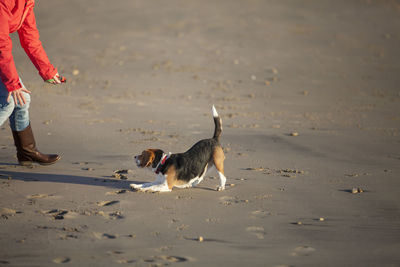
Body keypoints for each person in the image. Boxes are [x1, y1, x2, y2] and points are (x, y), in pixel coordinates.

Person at [0, 0, 65, 166]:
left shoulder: (25, 2)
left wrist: (48, 71)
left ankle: (26, 152)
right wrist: (12, 83)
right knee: (7, 102)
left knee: (22, 100)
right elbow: (2, 44)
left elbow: (30, 38)